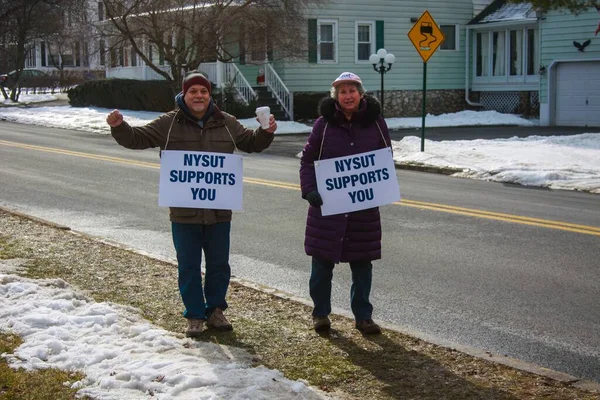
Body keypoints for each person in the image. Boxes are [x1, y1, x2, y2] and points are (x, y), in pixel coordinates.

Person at [106, 71, 277, 337]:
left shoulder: (227, 123)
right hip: (184, 212)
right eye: (193, 92)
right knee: (188, 266)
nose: (199, 96)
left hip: (220, 211)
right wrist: (119, 127)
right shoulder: (169, 123)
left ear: (210, 95)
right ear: (184, 95)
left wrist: (266, 131)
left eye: (204, 92)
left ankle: (215, 311)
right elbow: (137, 139)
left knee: (219, 265)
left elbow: (250, 143)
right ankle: (195, 315)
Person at [299, 72, 391, 335]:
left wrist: (380, 189)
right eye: (342, 91)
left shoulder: (375, 123)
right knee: (321, 267)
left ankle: (363, 317)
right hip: (327, 210)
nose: (348, 95)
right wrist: (309, 190)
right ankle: (320, 314)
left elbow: (385, 159)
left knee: (362, 267)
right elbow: (307, 160)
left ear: (360, 94)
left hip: (363, 209)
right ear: (335, 97)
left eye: (352, 90)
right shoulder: (323, 125)